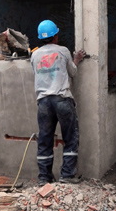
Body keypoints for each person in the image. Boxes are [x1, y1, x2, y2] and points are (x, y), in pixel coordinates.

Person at [31, 19, 86, 186]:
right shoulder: (63, 51)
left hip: (43, 103)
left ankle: (44, 178)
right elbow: (73, 72)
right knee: (70, 137)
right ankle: (67, 176)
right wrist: (77, 59)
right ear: (55, 36)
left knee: (45, 140)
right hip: (62, 99)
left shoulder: (34, 54)